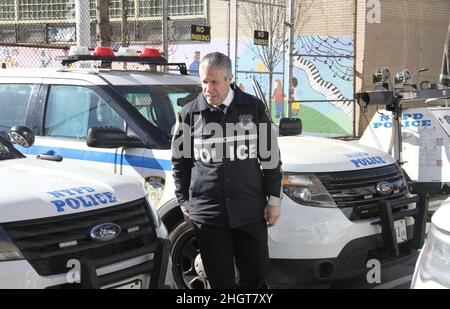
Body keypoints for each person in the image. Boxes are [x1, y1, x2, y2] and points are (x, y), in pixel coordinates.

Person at [171, 52, 282, 289]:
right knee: (220, 281)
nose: (208, 88)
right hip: (209, 214)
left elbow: (271, 159)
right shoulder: (190, 114)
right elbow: (180, 162)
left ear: (229, 78)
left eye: (214, 81)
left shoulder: (253, 108)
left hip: (250, 210)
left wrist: (274, 199)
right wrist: (184, 202)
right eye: (204, 82)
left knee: (256, 275)